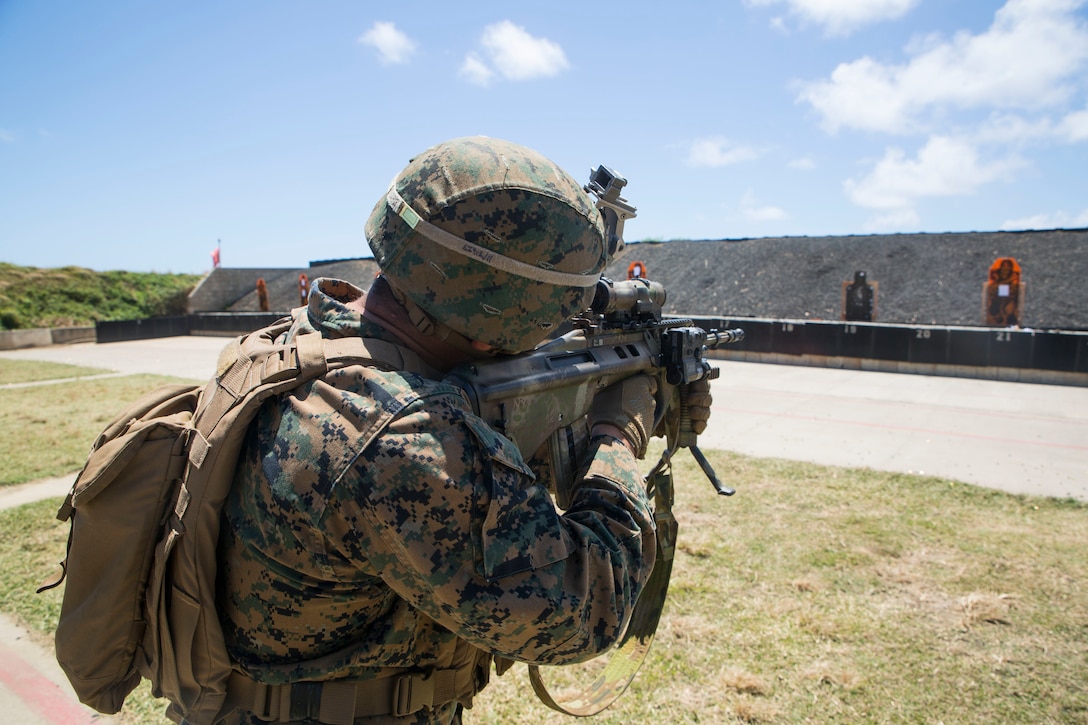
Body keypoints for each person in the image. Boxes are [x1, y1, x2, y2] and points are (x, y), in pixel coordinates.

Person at [212, 136, 710, 725]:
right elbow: (587, 609)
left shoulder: (315, 342)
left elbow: (488, 479)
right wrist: (618, 436)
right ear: (494, 319)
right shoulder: (398, 440)